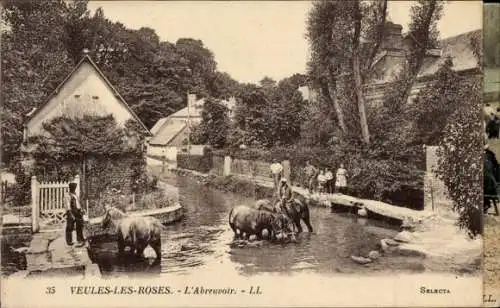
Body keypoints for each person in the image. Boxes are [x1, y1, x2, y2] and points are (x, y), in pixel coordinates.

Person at [65, 182, 85, 247]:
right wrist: (70, 214)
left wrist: (81, 210)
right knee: (70, 226)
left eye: (75, 187)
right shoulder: (67, 195)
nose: (74, 189)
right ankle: (69, 241)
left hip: (78, 211)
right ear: (70, 188)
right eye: (73, 187)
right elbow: (68, 206)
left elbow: (78, 203)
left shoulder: (75, 194)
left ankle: (80, 239)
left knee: (79, 225)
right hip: (72, 211)